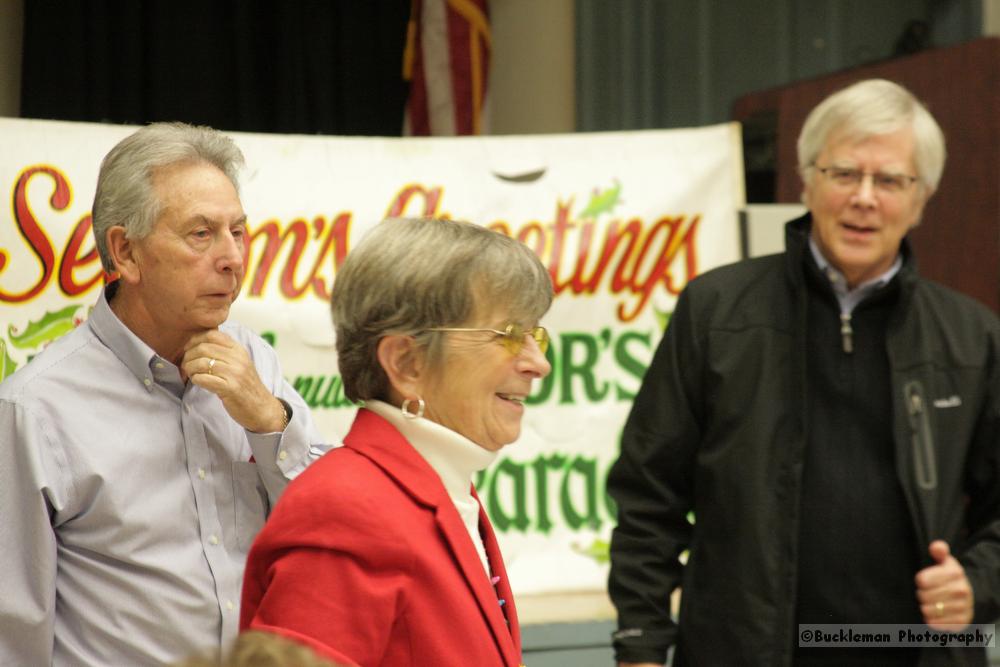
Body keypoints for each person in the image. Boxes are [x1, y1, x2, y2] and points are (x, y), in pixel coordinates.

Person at [607, 78, 1000, 666]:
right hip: (739, 652)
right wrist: (640, 645)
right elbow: (648, 497)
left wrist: (981, 582)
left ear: (922, 198)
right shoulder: (716, 313)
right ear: (806, 180)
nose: (864, 198)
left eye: (890, 180)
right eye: (844, 173)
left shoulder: (972, 337)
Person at [0, 122, 332, 666]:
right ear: (125, 252)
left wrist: (270, 421)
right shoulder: (35, 410)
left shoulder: (256, 362)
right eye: (202, 234)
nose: (233, 258)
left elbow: (323, 531)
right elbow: (15, 631)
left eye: (239, 232)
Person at [240, 216, 552, 667]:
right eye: (509, 336)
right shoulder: (345, 508)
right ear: (406, 363)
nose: (538, 363)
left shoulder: (435, 488)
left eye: (536, 334)